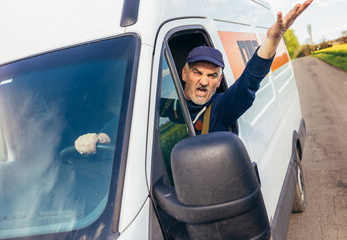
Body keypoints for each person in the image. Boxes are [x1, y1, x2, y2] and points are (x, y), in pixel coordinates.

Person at [75, 0, 313, 154]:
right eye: (197, 73)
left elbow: (249, 81)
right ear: (184, 74)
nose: (204, 80)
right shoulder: (170, 105)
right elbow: (132, 114)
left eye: (212, 75)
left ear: (219, 81)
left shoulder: (220, 108)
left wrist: (273, 39)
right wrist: (102, 135)